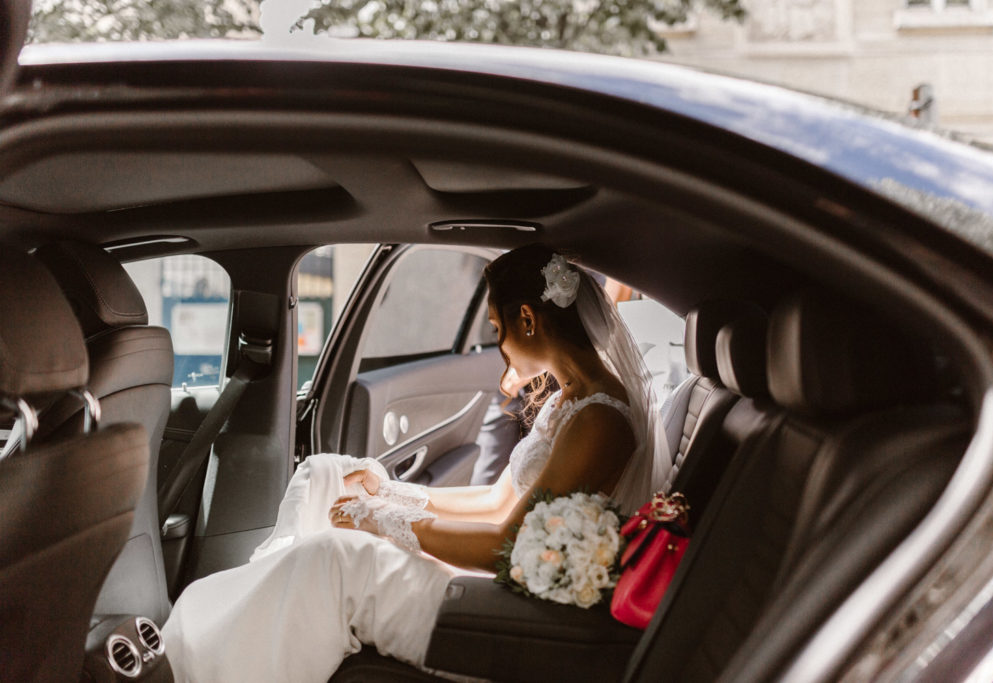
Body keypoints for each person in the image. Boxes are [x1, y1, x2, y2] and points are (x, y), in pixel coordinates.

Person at [162, 244, 671, 682]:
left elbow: (507, 544)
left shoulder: (600, 420)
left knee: (337, 557)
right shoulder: (571, 400)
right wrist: (390, 493)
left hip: (524, 600)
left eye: (497, 329)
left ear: (529, 320)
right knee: (327, 475)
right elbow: (498, 499)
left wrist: (386, 522)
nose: (499, 345)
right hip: (514, 569)